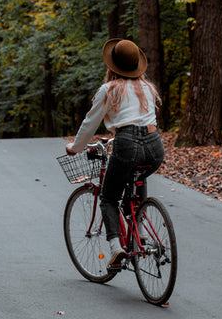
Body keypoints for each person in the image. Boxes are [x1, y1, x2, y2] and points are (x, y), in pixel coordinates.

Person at [65, 38, 165, 272]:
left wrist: (75, 148)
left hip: (127, 144)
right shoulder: (148, 89)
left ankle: (115, 248)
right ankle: (140, 231)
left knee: (109, 197)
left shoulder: (108, 89)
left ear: (112, 65)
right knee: (138, 180)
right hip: (155, 145)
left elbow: (90, 123)